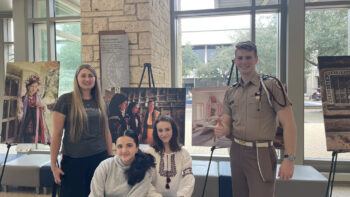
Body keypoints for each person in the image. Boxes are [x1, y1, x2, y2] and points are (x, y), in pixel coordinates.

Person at [214, 41, 297, 197]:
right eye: (240, 58)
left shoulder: (271, 85)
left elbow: (289, 124)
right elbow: (227, 123)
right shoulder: (231, 91)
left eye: (248, 57)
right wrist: (222, 129)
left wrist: (289, 159)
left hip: (261, 152)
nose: (244, 62)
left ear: (256, 59)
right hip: (236, 150)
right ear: (235, 61)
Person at [50, 64, 113, 197]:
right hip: (73, 161)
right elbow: (56, 134)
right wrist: (53, 165)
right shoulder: (65, 100)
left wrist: (110, 157)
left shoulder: (100, 101)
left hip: (99, 158)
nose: (87, 79)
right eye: (83, 75)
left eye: (91, 76)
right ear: (77, 78)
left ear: (95, 79)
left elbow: (106, 131)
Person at [89, 129, 161, 197]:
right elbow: (95, 194)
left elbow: (150, 191)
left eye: (129, 145)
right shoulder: (105, 166)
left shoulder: (144, 168)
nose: (124, 150)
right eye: (120, 146)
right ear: (116, 148)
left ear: (136, 148)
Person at [146, 115, 195, 197]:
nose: (164, 134)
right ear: (156, 132)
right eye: (160, 130)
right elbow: (146, 180)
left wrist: (182, 195)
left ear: (173, 130)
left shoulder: (184, 154)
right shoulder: (150, 153)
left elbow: (188, 179)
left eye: (167, 129)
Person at [17, 74, 49, 144]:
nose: (34, 89)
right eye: (32, 86)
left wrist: (43, 106)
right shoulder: (22, 99)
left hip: (38, 128)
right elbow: (19, 116)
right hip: (26, 128)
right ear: (28, 87)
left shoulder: (40, 99)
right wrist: (21, 114)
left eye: (36, 86)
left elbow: (46, 113)